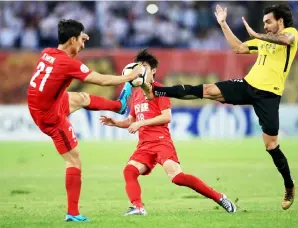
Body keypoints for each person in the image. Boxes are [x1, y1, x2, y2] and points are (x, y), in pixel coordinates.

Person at [142, 4, 297, 210]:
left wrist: (256, 34)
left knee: (271, 145)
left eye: (268, 22)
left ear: (280, 21)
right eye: (263, 23)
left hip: (269, 95)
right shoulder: (263, 42)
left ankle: (289, 185)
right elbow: (238, 48)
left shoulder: (290, 33)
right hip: (248, 85)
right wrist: (223, 24)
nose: (266, 26)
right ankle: (157, 91)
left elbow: (287, 40)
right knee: (206, 90)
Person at [27, 19, 143, 222]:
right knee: (74, 161)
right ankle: (72, 213)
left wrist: (77, 38)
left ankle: (120, 106)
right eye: (81, 39)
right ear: (72, 39)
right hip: (50, 118)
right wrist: (129, 77)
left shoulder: (47, 52)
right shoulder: (67, 64)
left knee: (81, 98)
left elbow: (64, 59)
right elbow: (102, 80)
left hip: (44, 105)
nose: (83, 43)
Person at [100, 49, 237, 216]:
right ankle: (138, 207)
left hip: (160, 141)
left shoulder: (160, 90)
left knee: (177, 178)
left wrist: (141, 123)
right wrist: (116, 123)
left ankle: (219, 197)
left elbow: (167, 117)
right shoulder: (136, 94)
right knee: (129, 171)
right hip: (144, 145)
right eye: (138, 67)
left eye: (144, 67)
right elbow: (131, 121)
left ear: (153, 71)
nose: (140, 70)